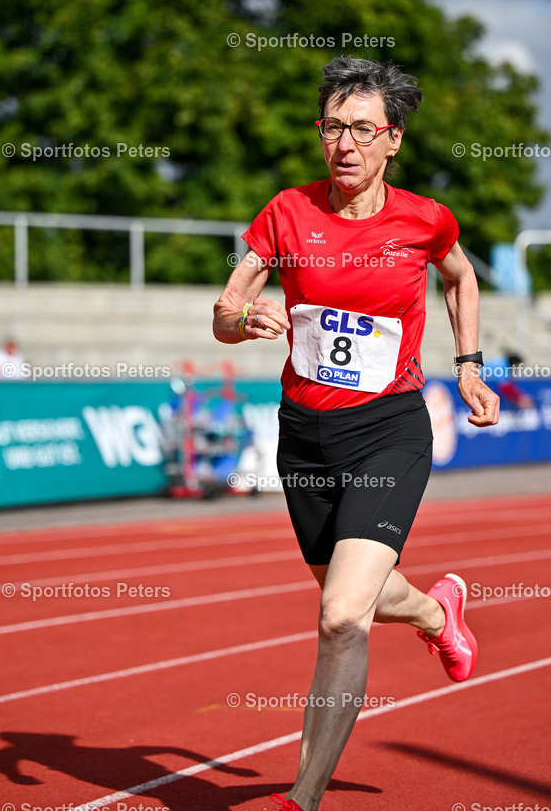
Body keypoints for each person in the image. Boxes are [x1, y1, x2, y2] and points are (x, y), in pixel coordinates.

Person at [213, 56, 500, 811]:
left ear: (392, 139)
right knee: (359, 600)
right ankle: (439, 611)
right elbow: (222, 314)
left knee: (342, 616)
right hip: (303, 436)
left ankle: (300, 798)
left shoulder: (424, 219)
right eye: (331, 127)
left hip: (387, 430)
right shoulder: (285, 214)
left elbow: (459, 277)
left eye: (360, 130)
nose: (343, 144)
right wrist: (249, 321)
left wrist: (468, 365)